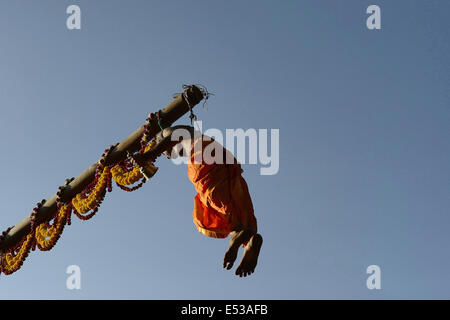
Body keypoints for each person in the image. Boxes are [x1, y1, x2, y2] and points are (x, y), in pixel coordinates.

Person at [151, 125, 263, 277]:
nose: (168, 156)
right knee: (238, 199)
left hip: (205, 159)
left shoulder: (171, 134)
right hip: (224, 160)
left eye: (165, 154)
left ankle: (236, 231)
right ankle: (249, 240)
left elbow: (174, 135)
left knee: (211, 198)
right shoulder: (199, 140)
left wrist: (148, 155)